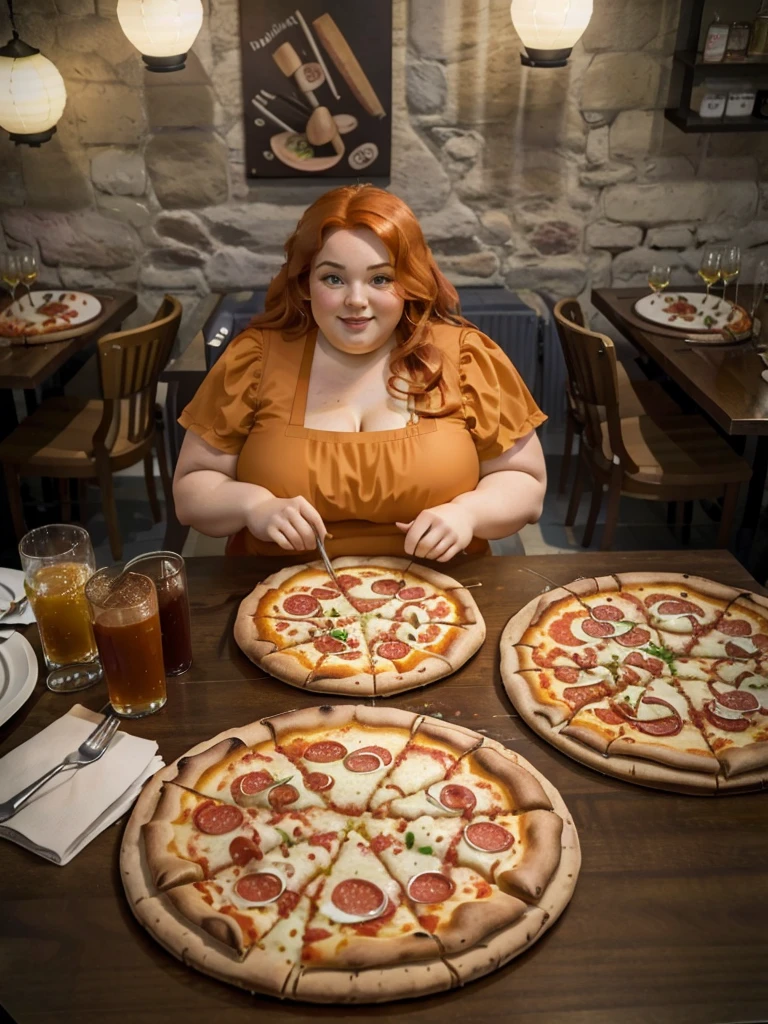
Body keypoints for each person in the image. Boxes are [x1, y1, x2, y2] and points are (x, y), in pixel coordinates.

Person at [173, 185, 547, 563]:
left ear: (411, 282)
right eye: (333, 279)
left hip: (440, 602)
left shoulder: (466, 357)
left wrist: (469, 513)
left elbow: (526, 485)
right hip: (279, 600)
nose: (356, 299)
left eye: (380, 279)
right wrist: (253, 506)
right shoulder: (253, 359)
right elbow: (192, 492)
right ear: (304, 282)